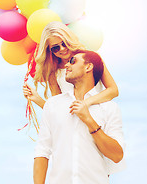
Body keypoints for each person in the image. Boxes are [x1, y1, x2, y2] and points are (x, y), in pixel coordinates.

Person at [33, 50, 125, 184]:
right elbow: (42, 151)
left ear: (88, 67)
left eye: (73, 61)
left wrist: (89, 120)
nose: (66, 65)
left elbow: (117, 155)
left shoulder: (109, 108)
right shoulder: (53, 105)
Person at [23, 21, 119, 109]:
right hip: (73, 124)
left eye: (64, 43)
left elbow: (113, 90)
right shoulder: (53, 72)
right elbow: (58, 109)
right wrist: (37, 99)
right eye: (55, 48)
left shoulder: (92, 58)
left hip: (99, 117)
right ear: (49, 50)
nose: (62, 49)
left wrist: (86, 103)